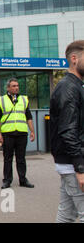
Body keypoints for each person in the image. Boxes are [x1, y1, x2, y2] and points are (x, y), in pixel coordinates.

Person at [50, 40, 84, 223]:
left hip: (69, 163)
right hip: (73, 164)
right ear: (74, 59)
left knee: (66, 214)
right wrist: (80, 167)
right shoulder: (69, 87)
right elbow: (68, 130)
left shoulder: (74, 85)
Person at [0, 78, 36, 189]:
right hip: (7, 133)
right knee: (7, 158)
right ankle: (7, 180)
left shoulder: (23, 100)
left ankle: (23, 179)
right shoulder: (1, 100)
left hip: (21, 133)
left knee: (21, 158)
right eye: (13, 86)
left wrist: (32, 131)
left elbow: (29, 117)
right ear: (8, 88)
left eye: (17, 85)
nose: (16, 87)